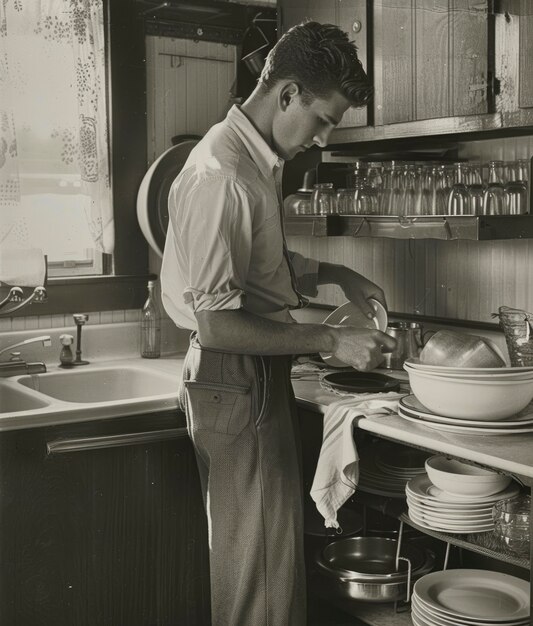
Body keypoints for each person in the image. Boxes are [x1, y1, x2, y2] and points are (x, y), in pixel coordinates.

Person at [161, 20, 396, 626]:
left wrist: (334, 271)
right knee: (261, 587)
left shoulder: (249, 160)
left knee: (261, 569)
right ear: (287, 93)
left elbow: (254, 265)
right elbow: (218, 325)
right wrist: (331, 340)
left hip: (241, 379)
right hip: (236, 373)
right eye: (322, 119)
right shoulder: (223, 176)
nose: (322, 139)